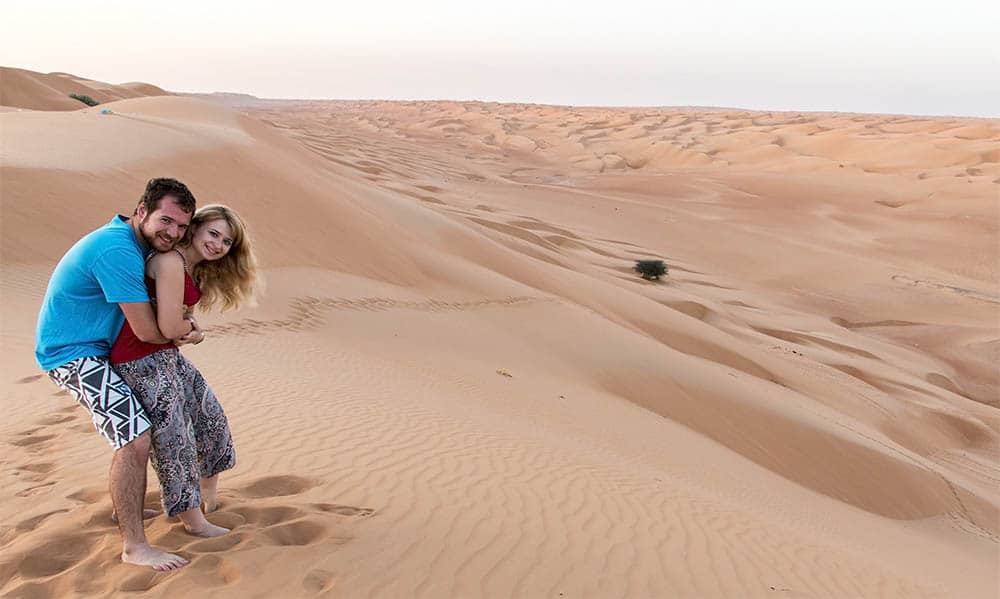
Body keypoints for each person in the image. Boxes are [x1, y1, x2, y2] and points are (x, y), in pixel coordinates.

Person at [36, 177, 201, 571]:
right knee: (135, 438)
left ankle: (124, 509)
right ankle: (134, 547)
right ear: (141, 210)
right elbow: (148, 330)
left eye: (181, 227)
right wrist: (188, 331)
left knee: (139, 431)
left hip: (100, 351)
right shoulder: (117, 251)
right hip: (73, 354)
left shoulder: (132, 243)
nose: (173, 233)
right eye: (166, 221)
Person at [111, 204, 259, 538]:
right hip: (139, 359)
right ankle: (192, 520)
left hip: (165, 356)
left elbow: (179, 320)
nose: (218, 245)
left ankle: (208, 499)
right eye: (214, 234)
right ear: (195, 228)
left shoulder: (190, 267)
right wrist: (193, 331)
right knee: (173, 439)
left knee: (211, 419)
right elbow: (171, 325)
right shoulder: (170, 262)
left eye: (226, 242)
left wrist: (186, 326)